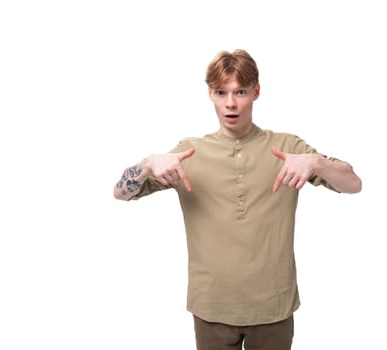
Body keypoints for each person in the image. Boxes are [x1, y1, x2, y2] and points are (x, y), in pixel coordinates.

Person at [113, 49, 362, 350]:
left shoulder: (288, 147)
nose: (230, 103)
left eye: (240, 91)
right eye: (221, 92)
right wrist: (146, 164)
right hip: (212, 308)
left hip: (273, 307)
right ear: (210, 94)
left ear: (256, 91)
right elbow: (121, 193)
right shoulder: (187, 153)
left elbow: (353, 184)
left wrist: (316, 163)